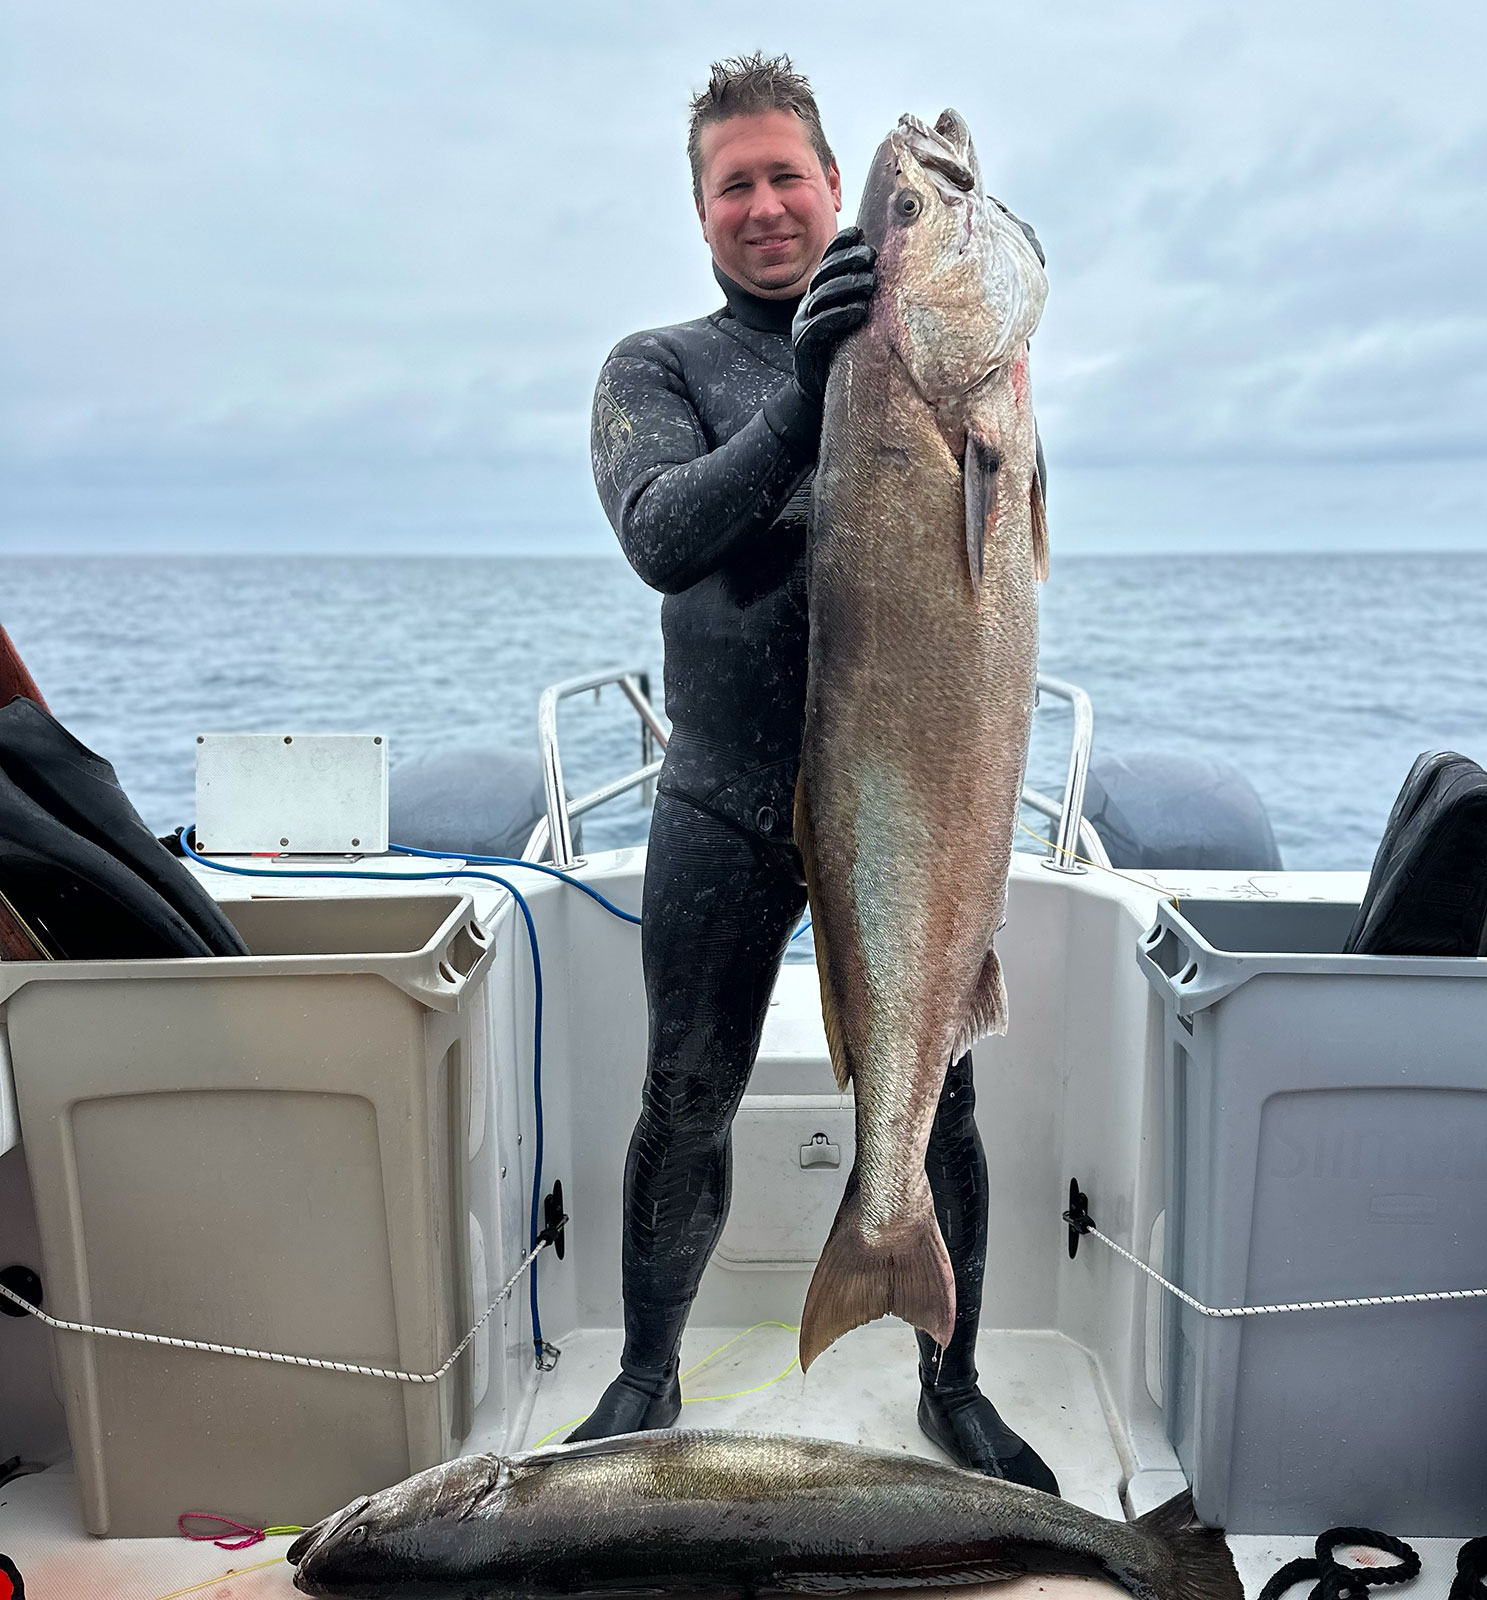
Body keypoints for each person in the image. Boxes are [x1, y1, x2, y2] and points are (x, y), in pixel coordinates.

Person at [576, 52, 1057, 1496]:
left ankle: (950, 1379)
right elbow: (664, 531)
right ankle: (644, 1375)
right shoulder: (659, 368)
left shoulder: (929, 352)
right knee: (686, 1093)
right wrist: (804, 390)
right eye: (737, 185)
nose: (768, 205)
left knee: (939, 1091)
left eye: (792, 174)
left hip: (909, 804)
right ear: (702, 210)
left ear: (838, 191)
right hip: (725, 799)